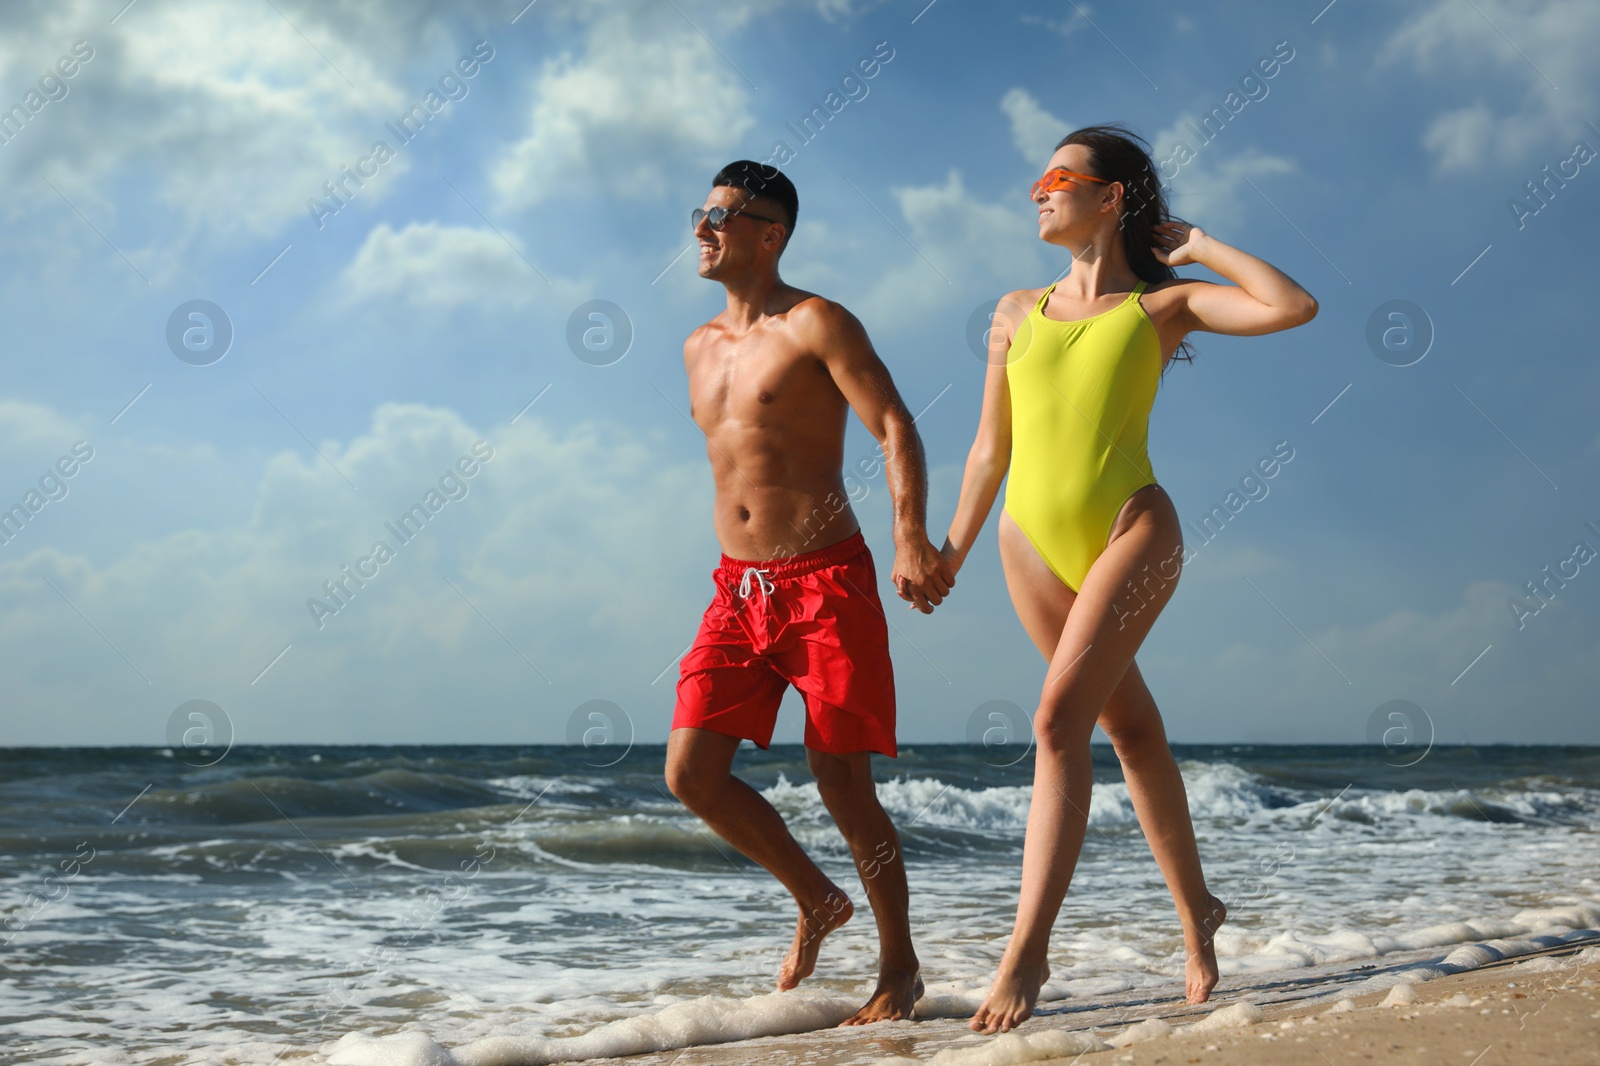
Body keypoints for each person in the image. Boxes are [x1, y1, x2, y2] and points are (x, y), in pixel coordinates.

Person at [939, 124, 1319, 1034]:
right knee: (1134, 732)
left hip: (1131, 529)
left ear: (1110, 197)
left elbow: (1291, 306)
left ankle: (1026, 954)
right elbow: (992, 449)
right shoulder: (1012, 310)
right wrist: (949, 550)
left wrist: (1197, 246)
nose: (1037, 189)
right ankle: (1200, 912)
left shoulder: (1165, 307)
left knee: (1054, 721)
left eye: (1058, 176)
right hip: (1028, 541)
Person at [664, 160, 954, 1025]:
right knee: (691, 773)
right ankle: (818, 899)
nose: (703, 230)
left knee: (842, 783)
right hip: (738, 588)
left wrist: (910, 535)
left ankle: (898, 967)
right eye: (700, 215)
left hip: (825, 581)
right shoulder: (695, 346)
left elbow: (896, 422)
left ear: (770, 232)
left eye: (721, 216)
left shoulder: (817, 322)